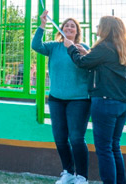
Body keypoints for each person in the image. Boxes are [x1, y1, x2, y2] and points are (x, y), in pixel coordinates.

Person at [66, 15, 126, 184]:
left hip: (106, 102)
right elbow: (98, 62)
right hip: (124, 103)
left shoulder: (103, 47)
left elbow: (82, 63)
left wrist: (71, 48)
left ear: (106, 28)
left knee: (104, 149)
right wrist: (87, 53)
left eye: (99, 25)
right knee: (113, 146)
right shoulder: (119, 48)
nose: (97, 26)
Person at [34, 11, 94, 184]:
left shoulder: (83, 47)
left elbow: (90, 65)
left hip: (79, 100)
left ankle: (81, 177)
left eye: (72, 26)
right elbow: (36, 45)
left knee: (76, 138)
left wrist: (84, 53)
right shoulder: (53, 47)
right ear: (61, 30)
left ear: (77, 31)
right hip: (56, 99)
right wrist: (42, 24)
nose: (69, 27)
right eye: (66, 25)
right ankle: (68, 172)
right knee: (60, 138)